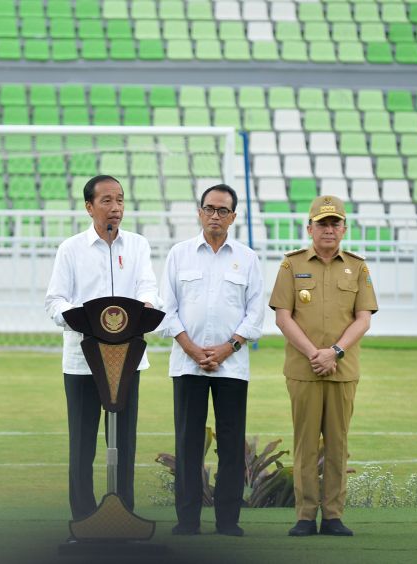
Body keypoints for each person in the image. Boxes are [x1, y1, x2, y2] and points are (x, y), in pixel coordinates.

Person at [45, 175, 160, 523]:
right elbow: (55, 302)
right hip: (83, 361)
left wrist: (139, 311)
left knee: (125, 442)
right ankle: (82, 518)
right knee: (82, 445)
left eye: (120, 200)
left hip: (127, 361)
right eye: (107, 200)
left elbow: (150, 292)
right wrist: (85, 320)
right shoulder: (70, 249)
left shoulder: (138, 246)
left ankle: (124, 514)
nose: (116, 208)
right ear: (89, 207)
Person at [269, 195, 377, 537]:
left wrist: (334, 352)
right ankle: (304, 516)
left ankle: (332, 515)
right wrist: (314, 353)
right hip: (304, 370)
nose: (328, 230)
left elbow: (363, 319)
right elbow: (283, 317)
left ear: (344, 229)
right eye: (322, 223)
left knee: (337, 443)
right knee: (305, 444)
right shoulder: (291, 265)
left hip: (342, 371)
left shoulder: (358, 267)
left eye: (335, 223)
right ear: (309, 228)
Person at [160, 184, 264, 537]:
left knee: (232, 444)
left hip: (231, 366)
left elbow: (255, 314)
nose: (215, 216)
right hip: (187, 364)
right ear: (199, 212)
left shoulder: (248, 258)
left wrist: (227, 347)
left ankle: (227, 521)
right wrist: (190, 347)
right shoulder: (179, 254)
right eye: (209, 209)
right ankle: (187, 521)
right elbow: (166, 310)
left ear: (233, 216)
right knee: (188, 443)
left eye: (223, 210)